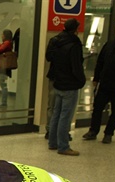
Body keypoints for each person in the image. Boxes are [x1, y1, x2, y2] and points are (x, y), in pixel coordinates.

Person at [45, 18, 86, 156]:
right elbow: (76, 66)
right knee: (65, 116)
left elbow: (49, 58)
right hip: (69, 84)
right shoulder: (74, 44)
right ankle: (63, 146)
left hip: (57, 82)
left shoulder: (55, 41)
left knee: (56, 113)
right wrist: (81, 80)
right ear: (75, 29)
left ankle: (52, 142)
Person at [0, 29, 14, 108]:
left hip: (2, 67)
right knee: (3, 85)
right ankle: (3, 102)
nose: (1, 36)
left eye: (2, 34)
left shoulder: (7, 43)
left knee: (3, 85)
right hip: (4, 67)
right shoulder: (9, 43)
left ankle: (3, 102)